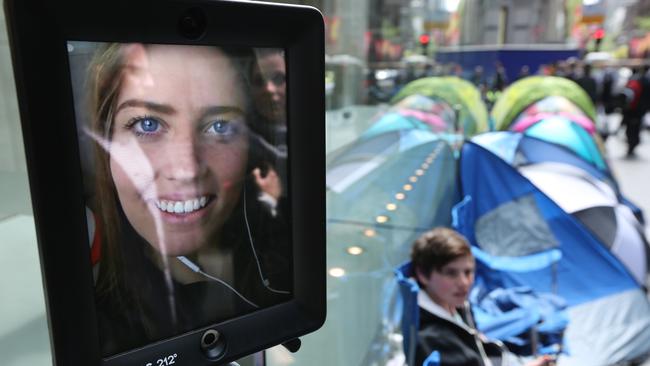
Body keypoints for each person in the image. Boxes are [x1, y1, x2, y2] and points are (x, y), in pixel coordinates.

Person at [85, 43, 291, 356]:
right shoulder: (92, 315)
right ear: (106, 145)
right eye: (147, 124)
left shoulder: (284, 251)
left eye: (219, 126)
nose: (187, 170)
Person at [411, 227, 553, 366]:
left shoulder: (458, 305)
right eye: (451, 273)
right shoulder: (430, 339)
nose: (464, 283)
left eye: (468, 272)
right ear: (423, 275)